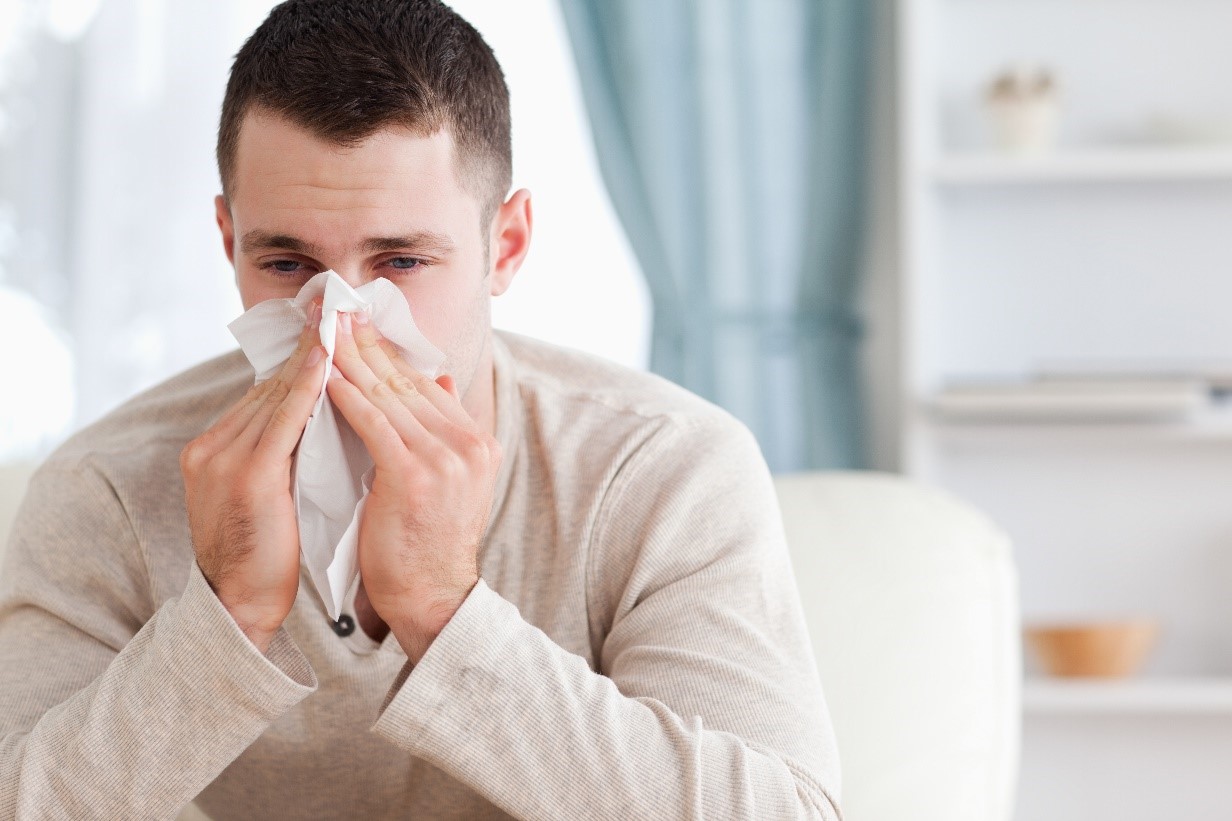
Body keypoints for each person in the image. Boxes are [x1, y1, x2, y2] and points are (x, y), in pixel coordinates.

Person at [0, 1, 842, 818]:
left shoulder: (663, 468)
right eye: (288, 264)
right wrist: (227, 615)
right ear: (229, 243)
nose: (337, 322)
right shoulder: (108, 486)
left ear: (503, 247)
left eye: (400, 260)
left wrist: (445, 610)